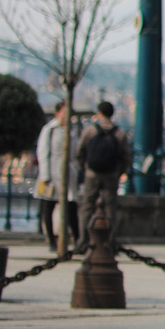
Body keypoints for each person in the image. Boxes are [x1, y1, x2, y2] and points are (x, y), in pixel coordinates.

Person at [76, 101, 133, 246]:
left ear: (99, 113)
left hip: (92, 174)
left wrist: (85, 167)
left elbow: (80, 151)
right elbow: (126, 156)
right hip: (111, 175)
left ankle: (83, 239)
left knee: (87, 207)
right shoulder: (119, 133)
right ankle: (110, 241)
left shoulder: (90, 131)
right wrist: (119, 171)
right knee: (110, 209)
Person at [34, 101, 78, 253]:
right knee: (48, 206)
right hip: (51, 173)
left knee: (72, 205)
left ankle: (77, 239)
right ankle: (52, 240)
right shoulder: (49, 130)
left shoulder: (72, 130)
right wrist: (45, 175)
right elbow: (42, 152)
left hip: (67, 173)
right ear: (57, 113)